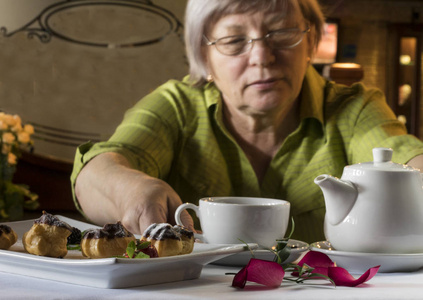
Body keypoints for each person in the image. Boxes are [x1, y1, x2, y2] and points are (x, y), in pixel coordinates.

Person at [71, 0, 423, 243]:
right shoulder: (176, 106)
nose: (262, 57)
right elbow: (96, 173)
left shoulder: (355, 107)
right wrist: (132, 189)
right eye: (234, 40)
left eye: (282, 33)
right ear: (204, 57)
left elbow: (410, 160)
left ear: (311, 41)